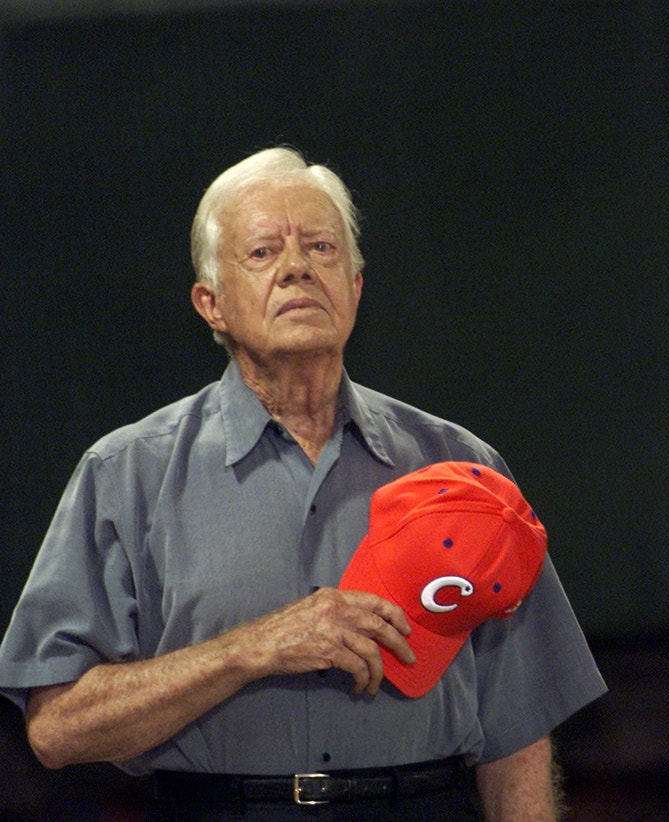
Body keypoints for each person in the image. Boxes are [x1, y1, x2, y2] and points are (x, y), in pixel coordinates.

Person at [0, 147, 606, 820]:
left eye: (321, 247)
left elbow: (517, 730)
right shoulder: (126, 475)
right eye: (262, 253)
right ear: (212, 305)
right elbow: (55, 729)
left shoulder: (463, 466)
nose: (297, 267)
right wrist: (249, 650)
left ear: (354, 286)